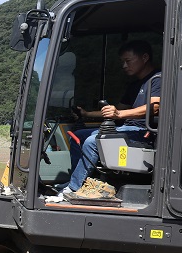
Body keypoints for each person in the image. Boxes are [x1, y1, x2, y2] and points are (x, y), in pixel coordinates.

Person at [62, 40, 161, 198]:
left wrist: (120, 115)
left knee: (93, 142)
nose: (124, 66)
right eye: (122, 62)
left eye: (128, 61)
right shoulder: (134, 85)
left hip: (144, 132)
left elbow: (155, 106)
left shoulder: (158, 79)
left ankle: (74, 188)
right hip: (127, 129)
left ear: (144, 57)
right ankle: (78, 179)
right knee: (78, 136)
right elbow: (117, 110)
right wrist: (87, 114)